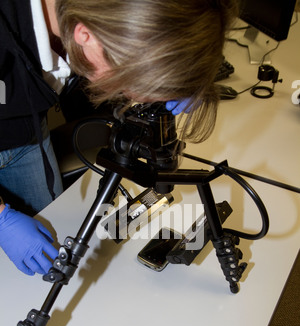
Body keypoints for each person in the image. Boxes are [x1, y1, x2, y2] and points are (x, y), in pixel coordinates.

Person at [0, 0, 238, 276]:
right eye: (130, 84)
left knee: (46, 235)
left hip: (26, 129)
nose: (132, 97)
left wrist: (180, 74)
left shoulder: (102, 13)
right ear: (85, 35)